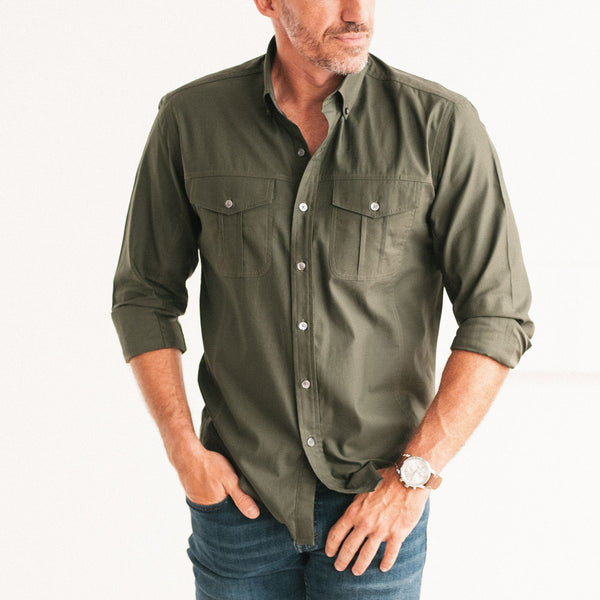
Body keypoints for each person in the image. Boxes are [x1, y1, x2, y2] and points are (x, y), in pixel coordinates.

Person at [111, 1, 534, 598]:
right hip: (237, 504)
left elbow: (498, 314)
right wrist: (184, 450)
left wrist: (410, 480)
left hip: (376, 511)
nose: (356, 12)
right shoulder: (191, 119)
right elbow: (143, 296)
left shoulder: (439, 124)